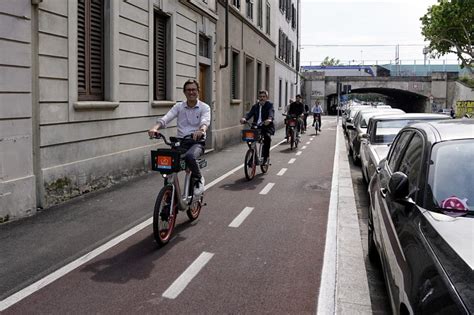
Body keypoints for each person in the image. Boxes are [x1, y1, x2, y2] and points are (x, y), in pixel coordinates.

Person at [148, 79, 211, 196]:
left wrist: (201, 130)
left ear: (198, 91)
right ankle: (168, 194)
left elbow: (205, 121)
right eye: (188, 90)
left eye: (193, 89)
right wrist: (155, 128)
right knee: (167, 163)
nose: (191, 92)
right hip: (180, 143)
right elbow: (166, 118)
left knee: (190, 156)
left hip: (197, 142)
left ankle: (198, 179)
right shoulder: (179, 106)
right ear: (184, 92)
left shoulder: (204, 107)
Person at [240, 90, 275, 164]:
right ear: (258, 97)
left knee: (267, 138)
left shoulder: (269, 105)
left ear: (266, 97)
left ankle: (265, 157)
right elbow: (249, 114)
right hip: (256, 126)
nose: (262, 98)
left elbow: (271, 113)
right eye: (260, 97)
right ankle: (253, 155)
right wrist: (245, 118)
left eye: (263, 97)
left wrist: (269, 119)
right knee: (248, 137)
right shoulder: (255, 106)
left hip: (266, 126)